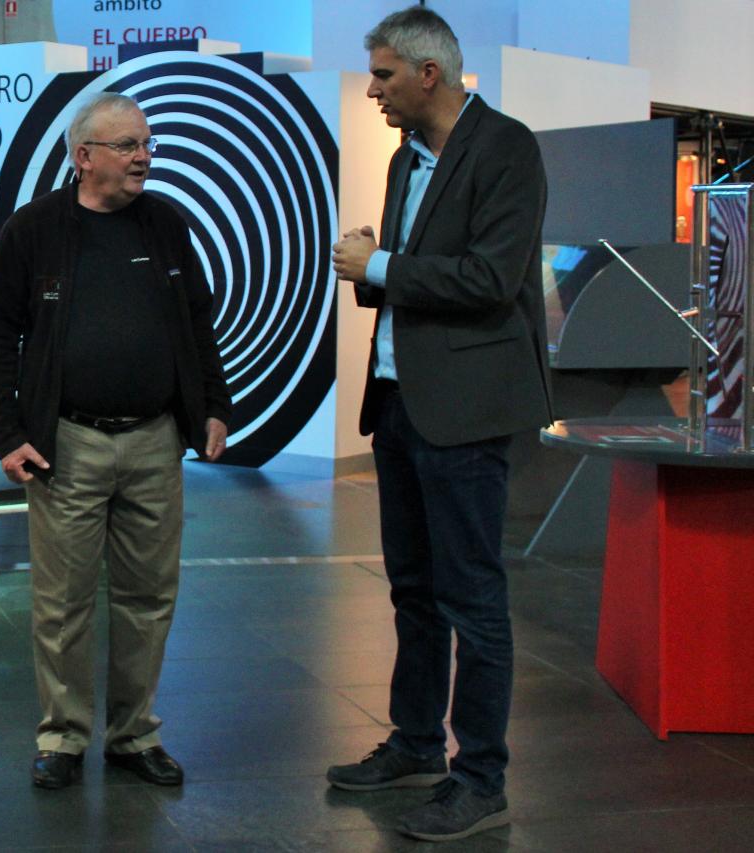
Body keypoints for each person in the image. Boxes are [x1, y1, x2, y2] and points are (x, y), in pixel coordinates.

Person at [326, 6, 551, 843]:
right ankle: (417, 743)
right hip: (402, 407)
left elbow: (492, 279)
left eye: (383, 75)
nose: (375, 90)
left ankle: (480, 775)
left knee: (473, 598)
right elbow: (428, 276)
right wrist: (375, 261)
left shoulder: (507, 148)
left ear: (429, 73)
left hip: (467, 413)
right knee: (413, 592)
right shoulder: (404, 157)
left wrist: (379, 264)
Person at [0, 92, 231, 790]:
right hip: (67, 443)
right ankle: (62, 735)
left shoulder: (166, 224)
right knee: (62, 601)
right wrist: (8, 431)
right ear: (83, 156)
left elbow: (197, 324)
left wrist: (214, 407)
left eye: (147, 143)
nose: (144, 156)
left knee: (150, 596)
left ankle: (133, 734)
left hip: (155, 442)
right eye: (127, 145)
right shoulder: (34, 230)